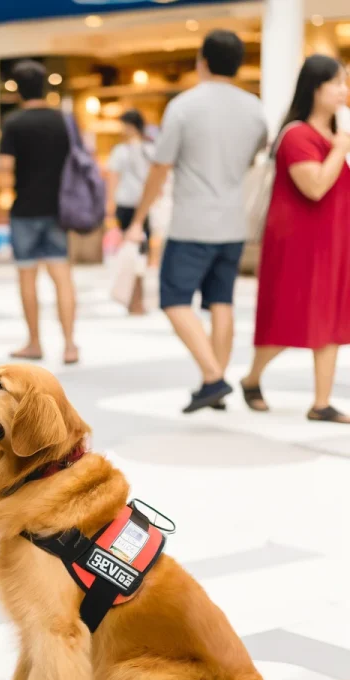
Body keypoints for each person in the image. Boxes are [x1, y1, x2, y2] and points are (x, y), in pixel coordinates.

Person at [126, 30, 268, 413]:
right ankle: (215, 383)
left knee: (174, 298)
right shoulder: (255, 108)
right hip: (233, 221)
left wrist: (138, 217)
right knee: (221, 301)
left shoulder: (184, 106)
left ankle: (212, 377)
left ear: (202, 61)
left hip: (192, 222)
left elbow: (160, 166)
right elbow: (254, 156)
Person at [241, 55, 350, 423]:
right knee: (289, 320)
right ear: (314, 86)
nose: (343, 90)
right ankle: (252, 378)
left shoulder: (331, 134)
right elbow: (315, 186)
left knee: (332, 318)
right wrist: (339, 148)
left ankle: (321, 402)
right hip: (298, 246)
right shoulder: (298, 135)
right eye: (336, 82)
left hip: (332, 243)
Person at [0, 60, 79, 365]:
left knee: (27, 277)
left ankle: (34, 342)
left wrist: (0, 197)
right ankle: (70, 345)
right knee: (62, 277)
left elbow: (4, 169)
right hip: (59, 209)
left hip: (25, 210)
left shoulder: (14, 123)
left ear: (18, 89)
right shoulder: (63, 120)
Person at [108, 108, 154, 314]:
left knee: (135, 252)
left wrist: (109, 204)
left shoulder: (127, 151)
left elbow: (113, 178)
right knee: (137, 251)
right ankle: (135, 297)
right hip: (141, 203)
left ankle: (135, 298)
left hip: (131, 204)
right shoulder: (149, 149)